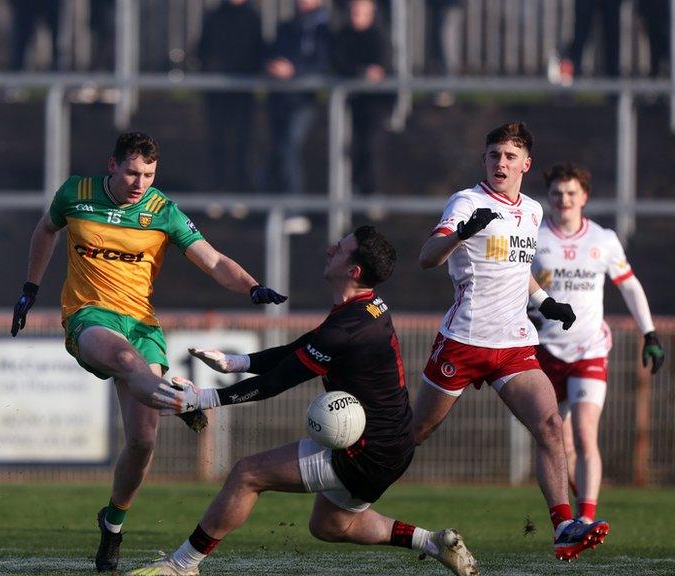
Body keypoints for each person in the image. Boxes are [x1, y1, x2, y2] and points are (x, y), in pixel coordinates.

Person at [10, 132, 287, 573]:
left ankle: (113, 523)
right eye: (133, 173)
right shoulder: (75, 194)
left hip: (141, 326)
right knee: (123, 361)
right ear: (112, 165)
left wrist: (251, 286)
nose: (141, 183)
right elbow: (45, 230)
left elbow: (213, 260)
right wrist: (30, 288)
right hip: (89, 317)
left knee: (142, 442)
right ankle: (181, 400)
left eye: (149, 175)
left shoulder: (161, 211)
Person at [129, 226, 478, 576]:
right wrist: (237, 363)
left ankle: (182, 566)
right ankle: (433, 543)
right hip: (393, 446)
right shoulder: (365, 308)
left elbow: (276, 384)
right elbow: (300, 347)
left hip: (368, 451)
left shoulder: (345, 329)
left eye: (340, 249)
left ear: (353, 271)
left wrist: (201, 398)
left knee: (247, 474)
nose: (330, 250)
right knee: (330, 525)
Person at [416, 122, 608, 562]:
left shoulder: (534, 211)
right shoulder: (467, 201)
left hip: (514, 343)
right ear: (484, 160)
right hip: (463, 340)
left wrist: (546, 300)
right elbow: (428, 257)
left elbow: (518, 269)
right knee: (417, 432)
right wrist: (462, 233)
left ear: (526, 164)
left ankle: (562, 526)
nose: (500, 163)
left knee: (550, 426)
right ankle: (352, 489)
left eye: (509, 156)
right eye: (493, 155)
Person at [532, 162, 665, 524]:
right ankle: (578, 508)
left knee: (585, 433)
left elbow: (630, 286)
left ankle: (587, 518)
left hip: (589, 349)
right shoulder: (534, 238)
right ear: (550, 197)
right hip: (544, 351)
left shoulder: (602, 240)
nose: (564, 200)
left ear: (584, 197)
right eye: (558, 193)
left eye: (571, 193)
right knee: (559, 443)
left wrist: (649, 333)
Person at [264, 0, 331, 206]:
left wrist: (295, 72)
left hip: (304, 101)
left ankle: (294, 208)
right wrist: (272, 65)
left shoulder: (325, 29)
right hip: (280, 99)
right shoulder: (286, 27)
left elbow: (325, 63)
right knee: (278, 150)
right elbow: (270, 52)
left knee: (290, 147)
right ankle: (277, 204)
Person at [197, 0, 263, 192]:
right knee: (218, 142)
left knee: (242, 143)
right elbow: (202, 49)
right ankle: (218, 189)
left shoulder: (252, 17)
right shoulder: (214, 16)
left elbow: (257, 52)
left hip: (243, 94)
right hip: (217, 94)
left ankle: (240, 191)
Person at [331, 0, 393, 196]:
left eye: (361, 12)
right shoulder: (342, 37)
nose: (356, 16)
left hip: (377, 102)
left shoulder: (380, 37)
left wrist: (373, 74)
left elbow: (385, 68)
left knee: (372, 145)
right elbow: (339, 64)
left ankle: (372, 192)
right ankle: (356, 190)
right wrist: (361, 72)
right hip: (352, 101)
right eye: (354, 12)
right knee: (353, 147)